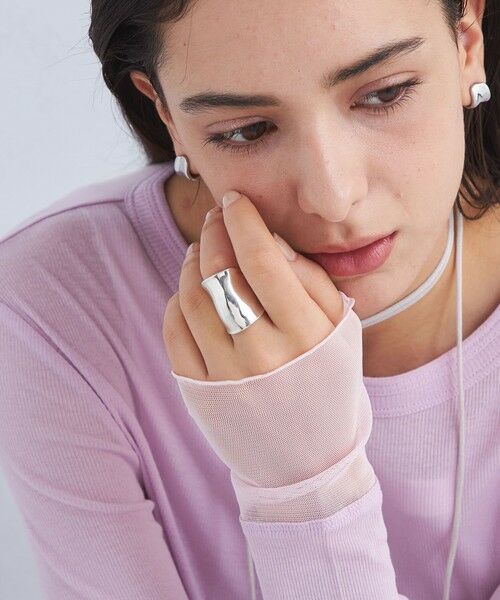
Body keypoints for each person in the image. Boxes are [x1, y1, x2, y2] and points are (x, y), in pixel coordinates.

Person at [0, 0, 498, 598]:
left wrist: (307, 489)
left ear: (467, 40)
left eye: (384, 94)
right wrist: (300, 484)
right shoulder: (55, 309)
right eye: (246, 131)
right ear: (165, 113)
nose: (333, 197)